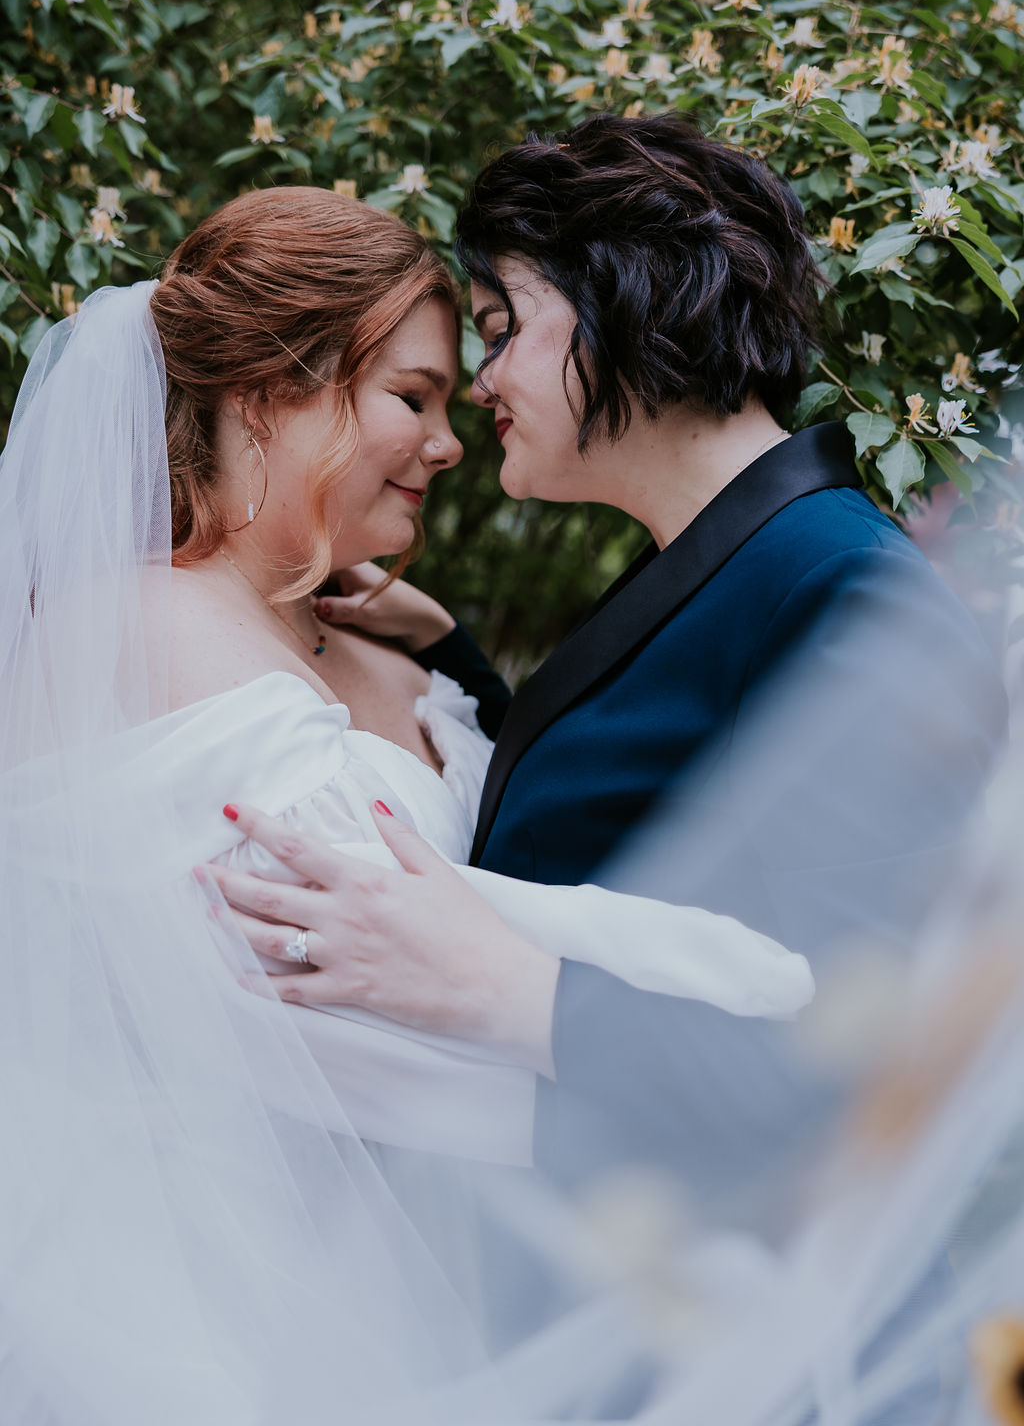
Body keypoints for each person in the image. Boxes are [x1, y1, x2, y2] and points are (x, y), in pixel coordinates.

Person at [0, 184, 816, 1422]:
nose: (450, 441)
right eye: (413, 397)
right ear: (273, 394)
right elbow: (337, 996)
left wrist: (449, 661)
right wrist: (763, 1007)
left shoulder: (393, 662)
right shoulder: (141, 633)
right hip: (226, 1304)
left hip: (437, 1275)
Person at [218, 114, 1007, 1222]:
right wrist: (450, 660)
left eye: (501, 329)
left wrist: (509, 995)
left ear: (634, 296)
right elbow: (618, 832)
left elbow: (878, 1052)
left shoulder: (850, 593)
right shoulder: (727, 562)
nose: (483, 386)